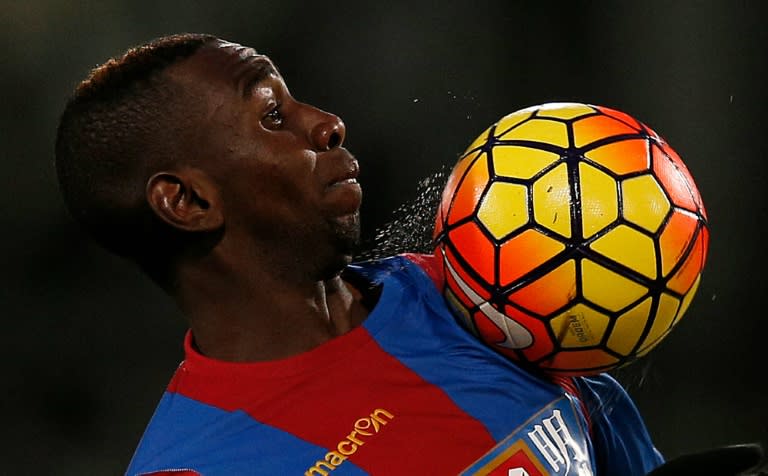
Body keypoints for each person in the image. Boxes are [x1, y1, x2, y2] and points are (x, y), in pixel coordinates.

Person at [55, 33, 721, 475]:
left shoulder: (493, 290)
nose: (325, 120)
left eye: (297, 98)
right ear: (188, 202)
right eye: (271, 116)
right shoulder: (197, 467)